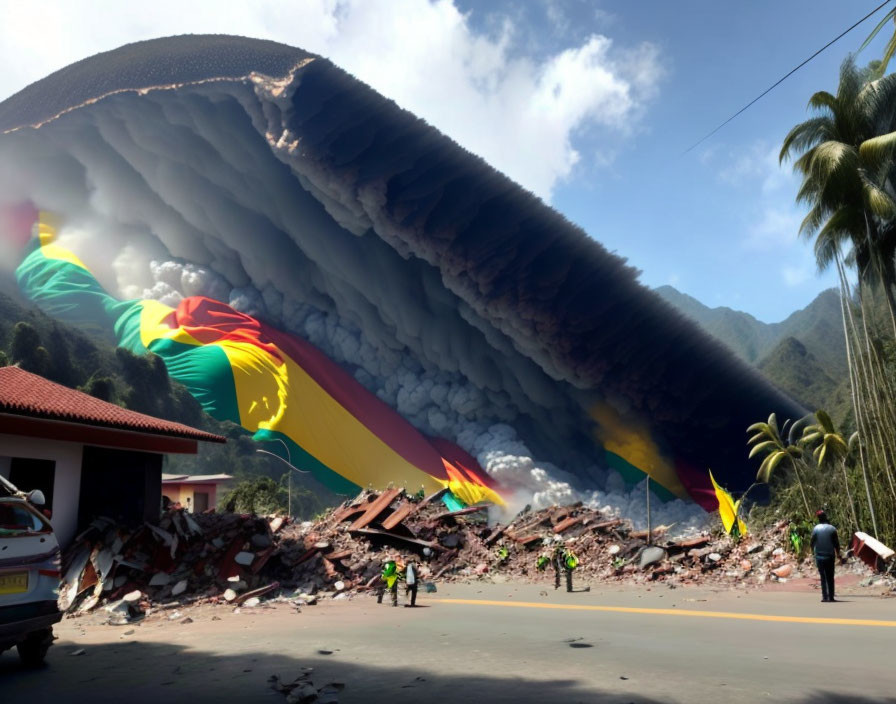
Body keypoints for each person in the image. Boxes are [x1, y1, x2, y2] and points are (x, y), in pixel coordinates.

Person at [810, 510, 843, 602]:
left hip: (819, 557)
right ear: (826, 517)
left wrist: (813, 553)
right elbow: (836, 544)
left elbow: (812, 542)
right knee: (830, 577)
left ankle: (824, 597)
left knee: (823, 577)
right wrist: (839, 554)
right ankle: (831, 597)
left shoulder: (816, 529)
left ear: (818, 519)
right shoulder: (832, 529)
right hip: (829, 556)